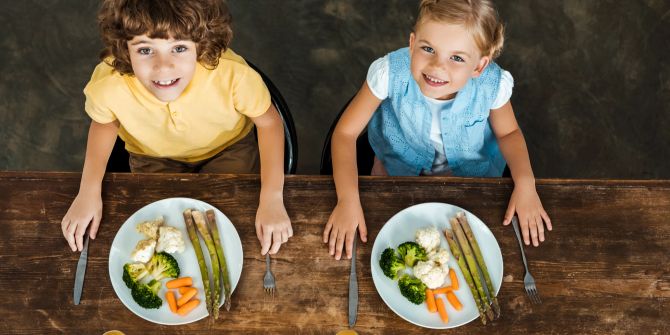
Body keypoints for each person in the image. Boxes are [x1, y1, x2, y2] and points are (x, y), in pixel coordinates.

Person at [324, 0, 552, 260]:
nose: (437, 66)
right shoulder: (390, 72)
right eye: (428, 48)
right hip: (395, 177)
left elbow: (509, 134)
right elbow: (345, 134)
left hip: (472, 185)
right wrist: (347, 200)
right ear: (412, 44)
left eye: (456, 58)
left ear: (478, 66)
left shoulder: (492, 84)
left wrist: (526, 184)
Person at [61, 0, 292, 256]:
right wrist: (87, 192)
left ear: (201, 44)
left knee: (228, 229)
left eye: (179, 48)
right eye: (145, 50)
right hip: (152, 157)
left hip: (229, 149)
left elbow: (269, 123)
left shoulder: (234, 75)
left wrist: (272, 198)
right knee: (161, 233)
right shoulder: (108, 85)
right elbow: (104, 123)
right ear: (125, 50)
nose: (163, 67)